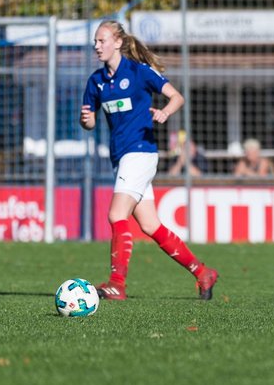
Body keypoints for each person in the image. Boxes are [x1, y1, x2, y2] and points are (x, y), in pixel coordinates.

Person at [80, 19, 219, 301]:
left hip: (140, 153)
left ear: (118, 42)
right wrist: (87, 121)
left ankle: (116, 284)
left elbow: (176, 97)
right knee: (149, 225)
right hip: (121, 157)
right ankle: (203, 272)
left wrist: (165, 113)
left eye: (102, 40)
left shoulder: (140, 72)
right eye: (95, 41)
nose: (97, 46)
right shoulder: (95, 82)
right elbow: (90, 123)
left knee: (116, 215)